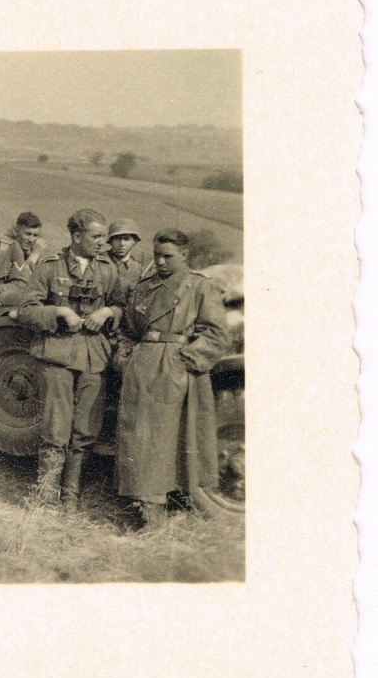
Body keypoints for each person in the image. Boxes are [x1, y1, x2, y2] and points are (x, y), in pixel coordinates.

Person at [113, 229, 230, 527]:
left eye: (169, 256)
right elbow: (127, 329)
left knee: (168, 440)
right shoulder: (143, 287)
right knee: (138, 437)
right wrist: (125, 358)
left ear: (185, 255)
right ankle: (142, 504)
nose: (162, 262)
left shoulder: (200, 287)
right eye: (157, 256)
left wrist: (184, 361)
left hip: (176, 370)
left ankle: (161, 504)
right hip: (141, 368)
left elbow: (216, 335)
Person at [17, 209, 124, 509]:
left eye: (103, 236)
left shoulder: (107, 269)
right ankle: (45, 491)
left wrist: (107, 313)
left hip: (94, 357)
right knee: (56, 428)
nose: (103, 243)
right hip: (59, 355)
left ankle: (71, 493)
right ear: (76, 237)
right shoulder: (50, 266)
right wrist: (58, 313)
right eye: (96, 236)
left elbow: (121, 306)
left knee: (86, 429)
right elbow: (26, 310)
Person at [106, 218, 149, 296]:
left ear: (134, 241)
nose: (122, 243)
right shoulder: (99, 262)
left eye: (126, 239)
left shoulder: (138, 269)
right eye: (117, 239)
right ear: (110, 241)